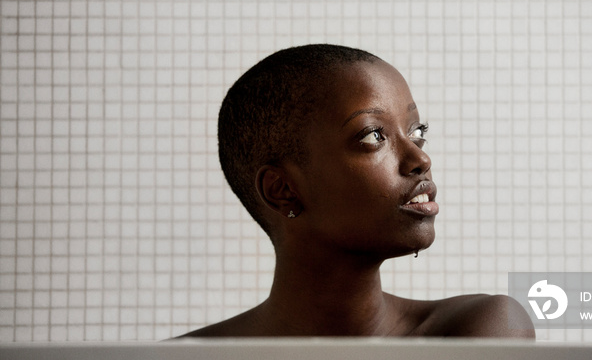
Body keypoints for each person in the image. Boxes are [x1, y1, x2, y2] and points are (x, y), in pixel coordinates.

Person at [179, 44, 535, 338]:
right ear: (283, 190)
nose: (420, 158)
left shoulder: (481, 331)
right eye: (373, 136)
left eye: (416, 131)